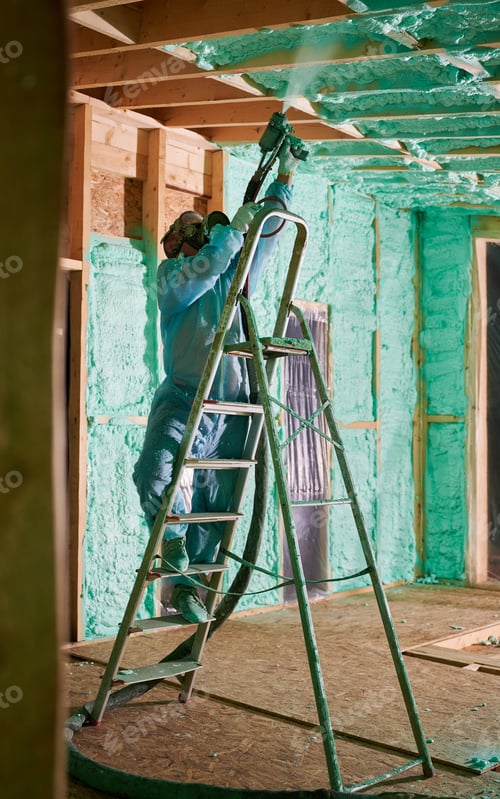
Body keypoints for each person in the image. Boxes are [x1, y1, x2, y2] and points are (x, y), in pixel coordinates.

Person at [133, 139, 302, 623]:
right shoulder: (171, 278)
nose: (202, 234)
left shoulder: (231, 279)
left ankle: (190, 594)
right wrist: (229, 238)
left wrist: (284, 180)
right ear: (179, 242)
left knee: (214, 501)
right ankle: (172, 546)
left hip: (228, 409)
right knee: (155, 472)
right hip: (183, 399)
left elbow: (265, 237)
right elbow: (200, 273)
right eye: (192, 231)